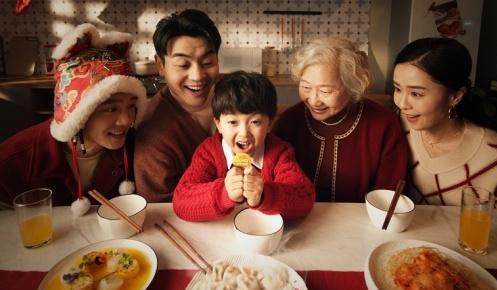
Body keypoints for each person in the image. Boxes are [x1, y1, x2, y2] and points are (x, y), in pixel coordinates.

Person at [0, 23, 147, 214]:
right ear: (78, 112)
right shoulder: (12, 162)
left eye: (131, 106)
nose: (127, 120)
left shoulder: (136, 148)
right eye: (111, 109)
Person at [272, 37, 408, 202]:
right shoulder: (289, 121)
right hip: (297, 218)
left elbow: (388, 192)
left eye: (326, 91)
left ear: (352, 86)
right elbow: (271, 177)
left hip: (361, 221)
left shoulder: (382, 124)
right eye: (306, 87)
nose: (314, 100)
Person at [173, 71, 315, 221]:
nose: (244, 134)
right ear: (218, 124)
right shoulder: (209, 152)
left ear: (269, 124)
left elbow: (304, 199)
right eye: (233, 122)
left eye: (255, 122)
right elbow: (181, 201)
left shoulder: (279, 153)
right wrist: (223, 193)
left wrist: (265, 195)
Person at [392, 37, 497, 206]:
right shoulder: (399, 124)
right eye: (397, 89)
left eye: (416, 94)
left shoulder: (494, 157)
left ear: (455, 96)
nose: (402, 103)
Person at [134, 9, 221, 202]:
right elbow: (159, 209)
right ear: (161, 66)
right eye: (183, 65)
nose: (198, 76)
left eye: (207, 62)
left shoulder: (235, 99)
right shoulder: (154, 135)